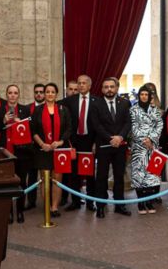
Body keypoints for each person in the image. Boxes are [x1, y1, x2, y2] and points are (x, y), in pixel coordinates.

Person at [90, 77, 132, 218]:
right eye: (106, 87)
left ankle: (120, 205)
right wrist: (110, 138)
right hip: (103, 146)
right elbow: (97, 125)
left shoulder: (125, 103)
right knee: (101, 177)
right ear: (102, 89)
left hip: (120, 146)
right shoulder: (96, 104)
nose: (109, 89)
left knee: (119, 176)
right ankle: (101, 206)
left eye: (111, 86)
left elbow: (128, 123)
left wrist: (120, 137)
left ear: (116, 88)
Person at [0, 84, 33, 224]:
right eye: (10, 93)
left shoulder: (25, 109)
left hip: (21, 153)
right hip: (5, 153)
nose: (13, 95)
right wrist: (3, 120)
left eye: (15, 93)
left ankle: (20, 211)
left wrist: (19, 122)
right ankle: (9, 213)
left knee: (22, 183)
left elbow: (31, 129)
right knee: (7, 184)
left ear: (18, 95)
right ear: (6, 94)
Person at [31, 83, 71, 217]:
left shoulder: (63, 109)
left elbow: (69, 129)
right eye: (47, 92)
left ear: (56, 94)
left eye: (52, 92)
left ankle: (54, 207)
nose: (49, 94)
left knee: (57, 179)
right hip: (43, 150)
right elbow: (33, 130)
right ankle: (47, 206)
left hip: (59, 150)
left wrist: (60, 142)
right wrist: (42, 144)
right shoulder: (38, 110)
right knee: (44, 178)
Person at [60, 75, 98, 212]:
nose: (81, 85)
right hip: (74, 141)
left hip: (90, 141)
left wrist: (96, 143)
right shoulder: (69, 101)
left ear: (89, 86)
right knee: (74, 173)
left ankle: (90, 202)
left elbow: (99, 125)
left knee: (89, 174)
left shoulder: (96, 102)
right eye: (79, 83)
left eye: (84, 83)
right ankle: (75, 201)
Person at [130, 85, 163, 214]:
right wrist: (144, 139)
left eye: (146, 94)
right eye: (142, 94)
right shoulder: (133, 110)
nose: (144, 96)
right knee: (139, 175)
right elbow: (133, 126)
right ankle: (141, 203)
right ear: (139, 96)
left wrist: (151, 139)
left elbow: (159, 125)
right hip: (139, 148)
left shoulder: (154, 110)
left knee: (151, 175)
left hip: (152, 147)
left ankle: (149, 202)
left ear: (150, 96)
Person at [25, 84, 46, 210]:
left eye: (41, 92)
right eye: (36, 92)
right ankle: (31, 201)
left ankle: (47, 201)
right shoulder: (27, 108)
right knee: (32, 176)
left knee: (46, 176)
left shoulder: (50, 108)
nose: (39, 94)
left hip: (45, 147)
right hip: (31, 148)